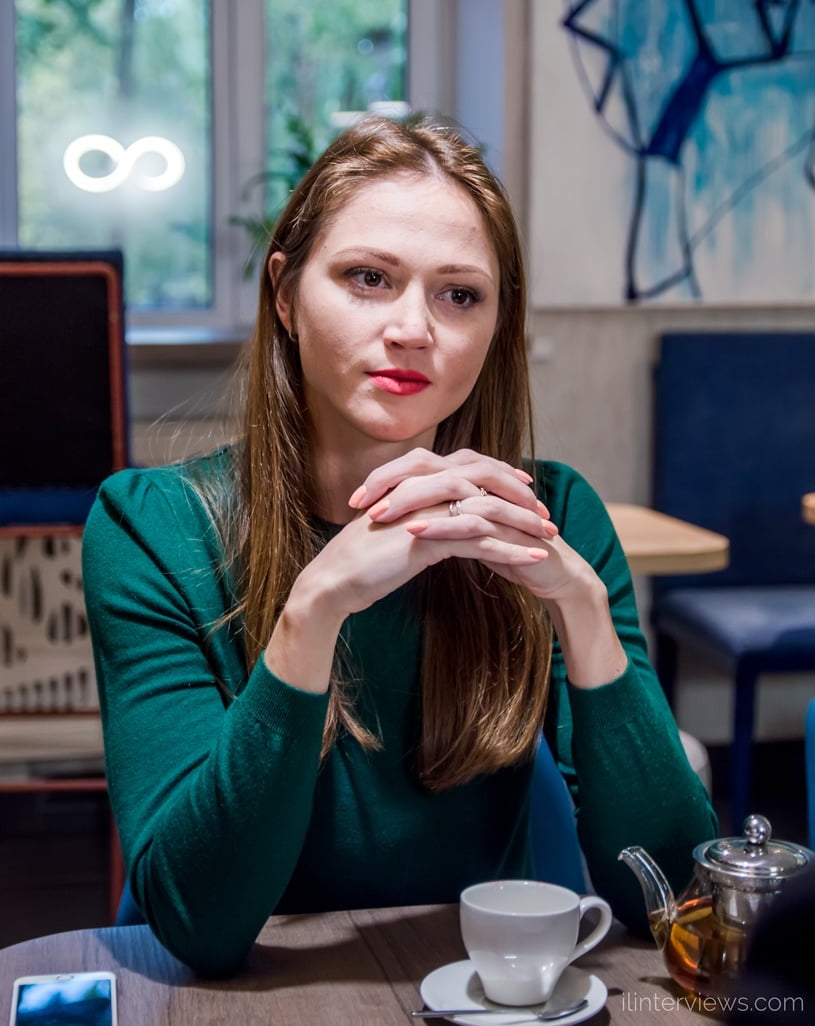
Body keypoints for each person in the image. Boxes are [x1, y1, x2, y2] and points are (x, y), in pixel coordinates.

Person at [82, 116, 717, 977]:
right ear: (284, 295)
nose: (413, 328)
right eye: (368, 278)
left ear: (496, 326)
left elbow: (668, 900)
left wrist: (582, 610)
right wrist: (312, 612)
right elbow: (200, 924)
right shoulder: (151, 527)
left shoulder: (551, 512)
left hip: (469, 990)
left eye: (459, 295)